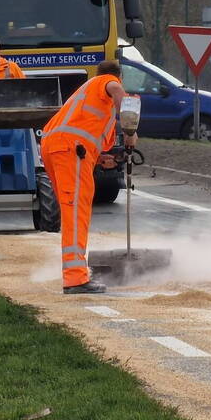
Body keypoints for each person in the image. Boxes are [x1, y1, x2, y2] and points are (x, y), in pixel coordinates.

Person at [40, 60, 136, 294]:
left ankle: (76, 274)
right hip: (68, 149)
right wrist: (130, 130)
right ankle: (74, 279)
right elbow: (118, 92)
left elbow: (91, 141)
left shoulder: (90, 97)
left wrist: (103, 158)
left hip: (59, 147)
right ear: (118, 76)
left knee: (74, 209)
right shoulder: (108, 82)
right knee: (75, 213)